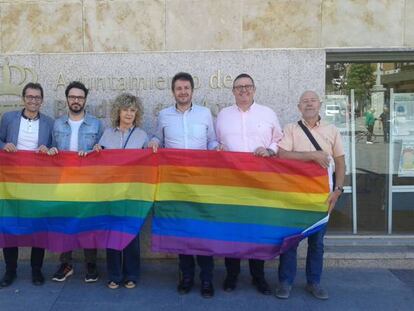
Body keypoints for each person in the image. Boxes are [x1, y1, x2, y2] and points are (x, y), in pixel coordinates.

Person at [148, 72, 218, 298]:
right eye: (179, 88)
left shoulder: (205, 113)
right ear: (173, 92)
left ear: (192, 90)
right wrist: (154, 142)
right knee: (183, 232)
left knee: (203, 232)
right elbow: (159, 138)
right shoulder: (164, 115)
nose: (183, 92)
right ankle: (186, 277)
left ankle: (207, 279)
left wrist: (218, 147)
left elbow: (212, 140)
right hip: (176, 183)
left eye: (186, 88)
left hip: (201, 183)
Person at [215, 73, 283, 295]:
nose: (243, 90)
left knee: (257, 229)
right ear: (233, 91)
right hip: (231, 183)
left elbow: (278, 139)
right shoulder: (223, 115)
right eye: (238, 87)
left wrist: (270, 150)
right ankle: (232, 275)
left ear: (254, 89)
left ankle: (258, 276)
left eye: (247, 86)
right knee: (231, 230)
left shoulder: (268, 113)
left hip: (259, 182)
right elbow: (216, 142)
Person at [275, 90, 345, 300]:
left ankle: (314, 282)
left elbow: (340, 163)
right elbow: (282, 155)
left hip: (322, 197)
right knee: (290, 241)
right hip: (294, 197)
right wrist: (312, 155)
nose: (309, 104)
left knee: (317, 243)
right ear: (299, 107)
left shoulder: (332, 130)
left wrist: (338, 191)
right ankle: (285, 282)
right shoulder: (291, 129)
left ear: (319, 104)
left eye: (312, 100)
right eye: (305, 101)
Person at [0, 82, 54, 287]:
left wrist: (48, 150)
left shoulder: (49, 122)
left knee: (37, 227)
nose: (33, 100)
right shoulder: (8, 119)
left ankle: (36, 271)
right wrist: (5, 145)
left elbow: (54, 148)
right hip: (11, 183)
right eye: (30, 97)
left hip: (38, 184)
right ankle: (10, 271)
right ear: (23, 99)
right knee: (9, 226)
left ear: (42, 100)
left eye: (37, 97)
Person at [50, 81, 103, 283]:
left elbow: (103, 152)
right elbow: (50, 149)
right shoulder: (57, 124)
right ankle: (66, 264)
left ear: (85, 100)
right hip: (63, 182)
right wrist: (51, 151)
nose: (76, 100)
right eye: (72, 97)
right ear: (67, 99)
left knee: (88, 223)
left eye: (80, 97)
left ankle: (91, 264)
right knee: (64, 224)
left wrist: (97, 150)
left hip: (88, 183)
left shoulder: (96, 124)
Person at [93, 93, 148, 289]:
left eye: (133, 110)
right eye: (125, 109)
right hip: (112, 192)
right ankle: (114, 275)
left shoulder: (142, 136)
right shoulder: (108, 134)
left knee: (132, 234)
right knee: (112, 234)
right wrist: (97, 149)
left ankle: (131, 275)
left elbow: (147, 163)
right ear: (118, 111)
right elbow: (100, 162)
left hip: (133, 193)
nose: (129, 113)